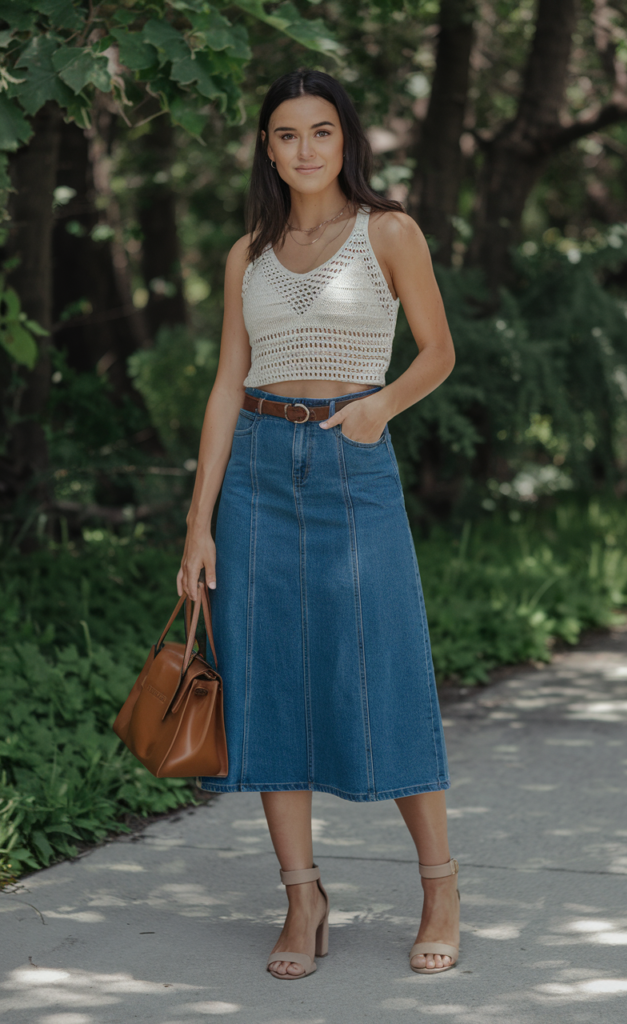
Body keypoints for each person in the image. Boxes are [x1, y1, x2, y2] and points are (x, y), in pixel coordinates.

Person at [177, 67, 458, 980]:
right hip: (257, 472)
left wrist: (381, 409)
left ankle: (440, 884)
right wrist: (199, 521)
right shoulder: (245, 254)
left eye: (322, 131)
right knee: (268, 682)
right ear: (266, 147)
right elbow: (227, 383)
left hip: (350, 461)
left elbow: (439, 351)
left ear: (348, 140)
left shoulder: (389, 232)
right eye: (288, 134)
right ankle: (303, 897)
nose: (305, 149)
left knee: (385, 664)